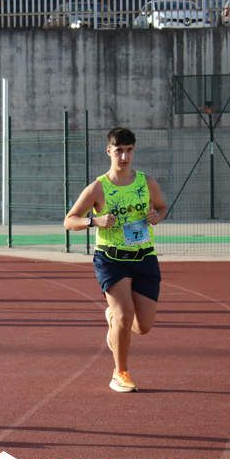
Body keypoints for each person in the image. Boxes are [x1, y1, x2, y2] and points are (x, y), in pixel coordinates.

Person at [63, 127, 167, 393]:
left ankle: (114, 322)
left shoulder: (146, 182)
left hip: (143, 256)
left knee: (143, 327)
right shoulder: (99, 187)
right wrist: (94, 220)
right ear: (108, 151)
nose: (124, 156)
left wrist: (157, 216)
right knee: (124, 315)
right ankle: (120, 372)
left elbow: (161, 207)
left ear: (134, 151)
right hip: (111, 259)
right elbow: (69, 220)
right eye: (118, 150)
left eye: (129, 150)